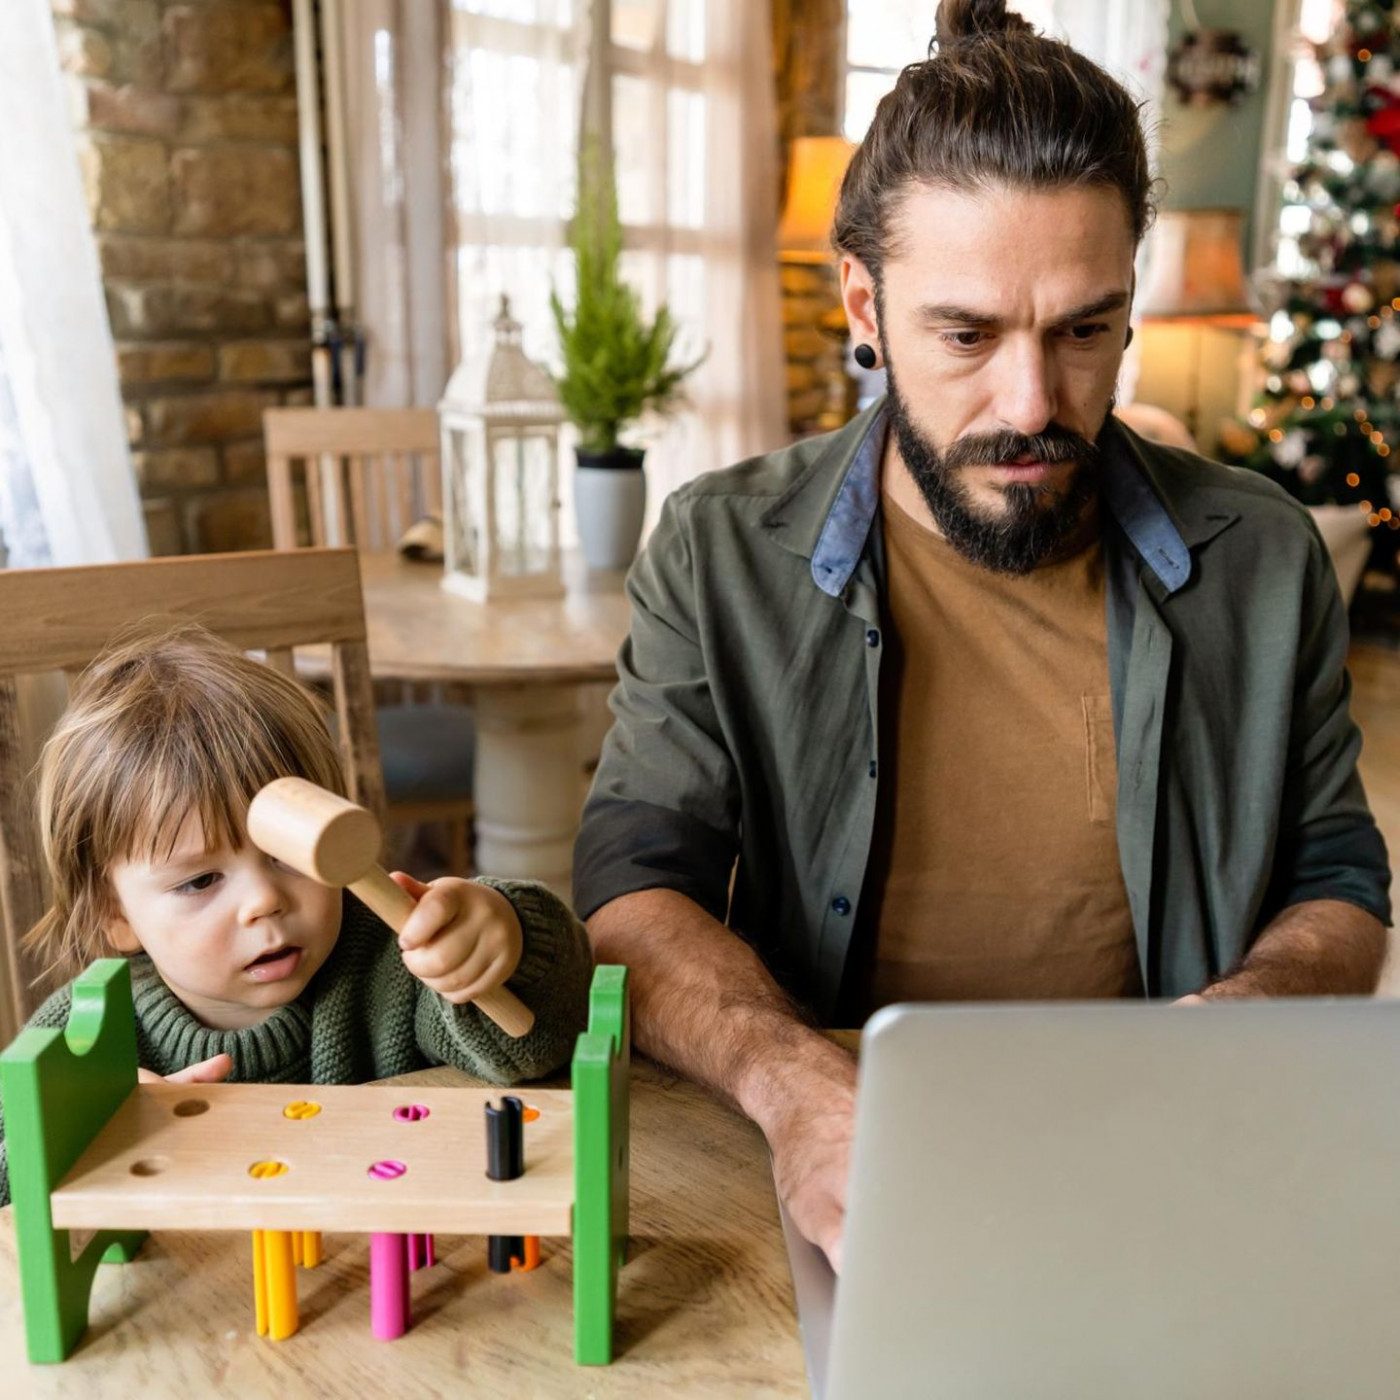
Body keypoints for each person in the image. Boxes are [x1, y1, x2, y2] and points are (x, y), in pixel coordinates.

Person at [572, 0, 1392, 1272]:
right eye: (964, 335)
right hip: (830, 1156)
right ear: (864, 303)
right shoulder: (714, 549)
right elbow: (632, 894)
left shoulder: (1266, 560)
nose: (1030, 405)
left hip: (1159, 1166)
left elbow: (1337, 883)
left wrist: (1237, 1025)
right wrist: (790, 1083)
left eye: (1082, 331)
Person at [0, 623, 593, 1205]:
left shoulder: (395, 963)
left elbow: (536, 1047)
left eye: (287, 856)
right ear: (116, 916)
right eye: (201, 880)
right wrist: (67, 1134)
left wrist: (506, 937)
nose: (264, 900)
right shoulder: (88, 1033)